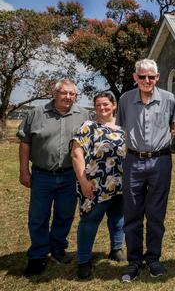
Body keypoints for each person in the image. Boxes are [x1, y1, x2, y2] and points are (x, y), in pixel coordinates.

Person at [17, 79, 89, 276]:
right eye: (64, 93)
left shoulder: (83, 115)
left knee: (64, 215)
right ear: (54, 93)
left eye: (72, 94)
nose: (68, 97)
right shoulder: (36, 113)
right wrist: (24, 170)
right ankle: (38, 256)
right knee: (38, 216)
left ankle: (58, 250)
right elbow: (25, 142)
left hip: (69, 176)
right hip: (42, 175)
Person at [117, 59, 175, 282]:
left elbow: (174, 127)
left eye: (151, 77)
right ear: (135, 77)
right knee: (132, 213)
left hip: (160, 163)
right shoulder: (125, 99)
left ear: (157, 78)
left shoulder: (169, 99)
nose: (146, 81)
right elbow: (123, 129)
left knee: (155, 213)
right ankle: (134, 261)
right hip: (133, 161)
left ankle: (153, 259)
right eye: (142, 76)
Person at [70, 91, 126, 279]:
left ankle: (116, 248)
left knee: (118, 217)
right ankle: (84, 260)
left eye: (106, 104)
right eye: (98, 105)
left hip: (120, 182)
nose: (102, 108)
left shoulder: (123, 126)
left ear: (114, 105)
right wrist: (83, 181)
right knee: (90, 219)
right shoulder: (89, 126)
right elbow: (76, 153)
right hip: (95, 183)